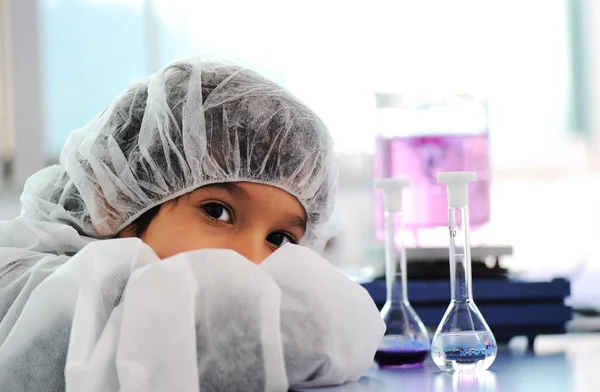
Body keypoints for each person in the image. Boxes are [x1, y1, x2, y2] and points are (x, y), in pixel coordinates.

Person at [0, 59, 384, 391]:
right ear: (115, 202)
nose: (251, 261)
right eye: (217, 212)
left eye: (279, 238)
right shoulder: (39, 291)